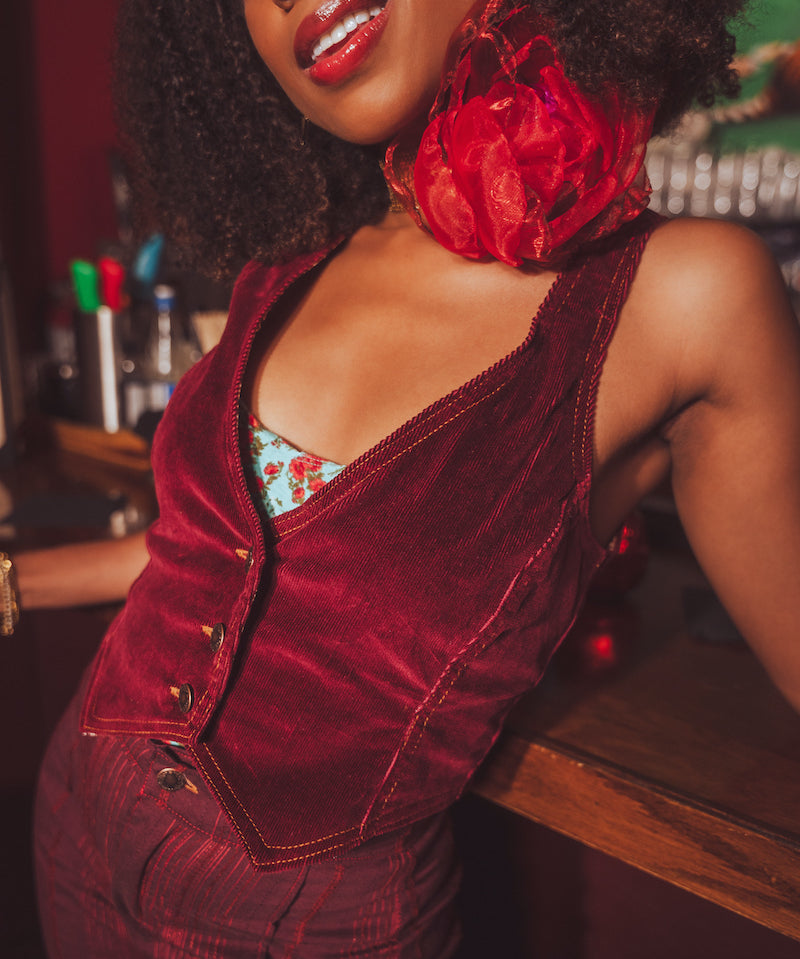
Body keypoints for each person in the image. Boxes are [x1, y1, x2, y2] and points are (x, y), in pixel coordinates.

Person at [4, 0, 799, 955]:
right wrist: (11, 580)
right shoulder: (293, 260)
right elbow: (211, 557)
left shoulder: (684, 295)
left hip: (294, 922)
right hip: (75, 808)